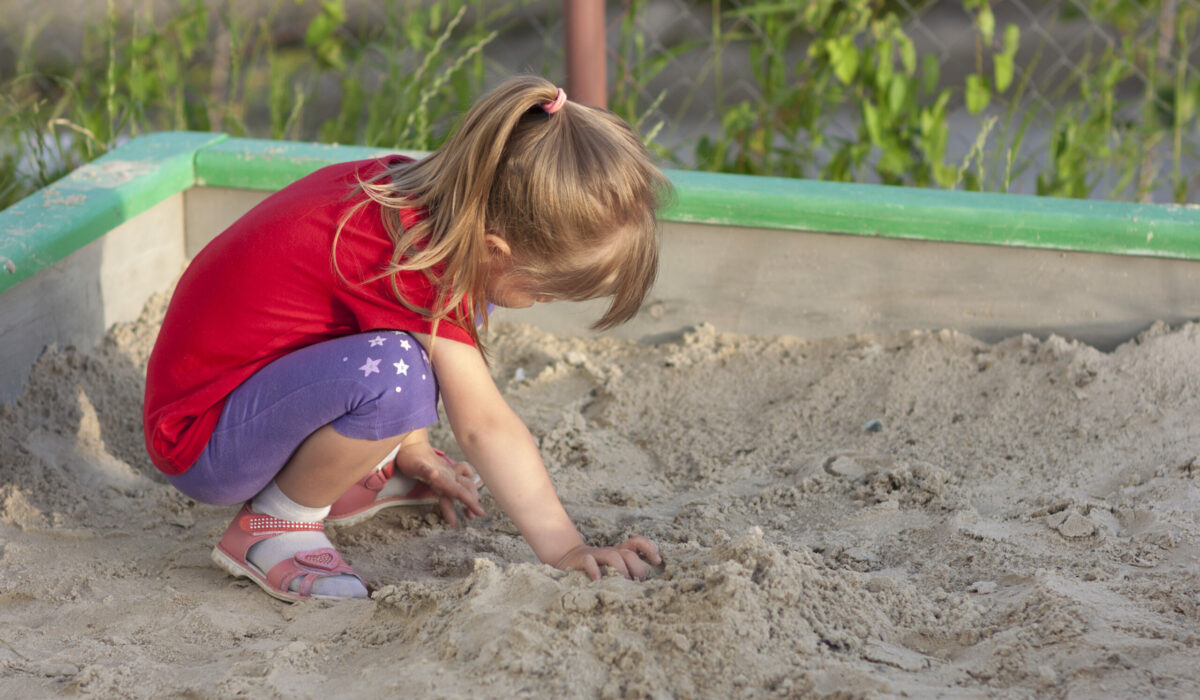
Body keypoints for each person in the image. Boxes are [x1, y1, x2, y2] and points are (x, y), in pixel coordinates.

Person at [142, 76, 669, 602]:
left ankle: (351, 468)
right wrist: (566, 550)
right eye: (542, 292)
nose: (542, 304)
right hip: (203, 438)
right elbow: (485, 426)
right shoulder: (406, 263)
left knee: (411, 358)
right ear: (497, 249)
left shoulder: (424, 208)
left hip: (238, 394)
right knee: (399, 374)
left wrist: (409, 446)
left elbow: (362, 320)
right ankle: (275, 526)